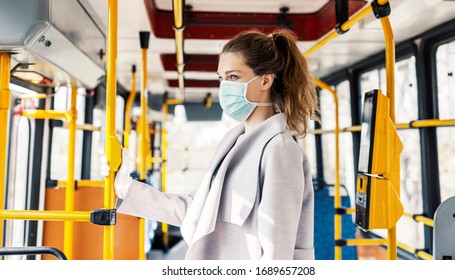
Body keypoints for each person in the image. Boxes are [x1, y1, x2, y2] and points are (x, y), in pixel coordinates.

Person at [101, 28, 319, 260]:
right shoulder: (232, 142)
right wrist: (126, 188)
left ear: (265, 80)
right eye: (221, 78)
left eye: (233, 77)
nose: (224, 86)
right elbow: (198, 211)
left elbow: (277, 251)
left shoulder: (280, 150)